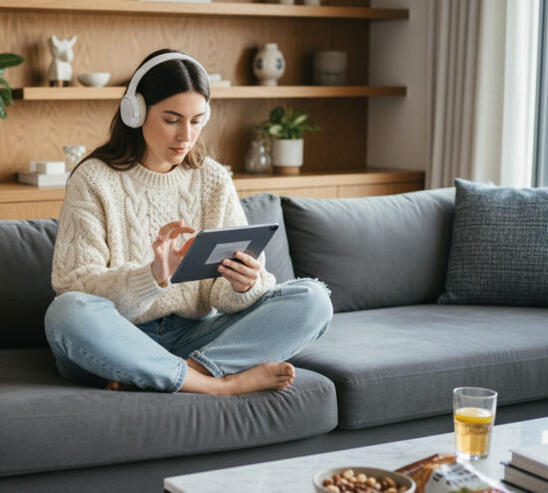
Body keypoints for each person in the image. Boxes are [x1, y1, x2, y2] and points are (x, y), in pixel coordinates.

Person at [44, 49, 332, 396]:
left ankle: (181, 375)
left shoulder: (212, 179)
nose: (186, 136)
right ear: (134, 112)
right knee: (66, 313)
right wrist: (151, 277)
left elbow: (223, 297)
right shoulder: (93, 179)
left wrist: (245, 284)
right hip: (117, 338)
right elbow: (74, 285)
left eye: (196, 121)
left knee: (313, 299)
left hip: (194, 338)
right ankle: (219, 385)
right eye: (171, 119)